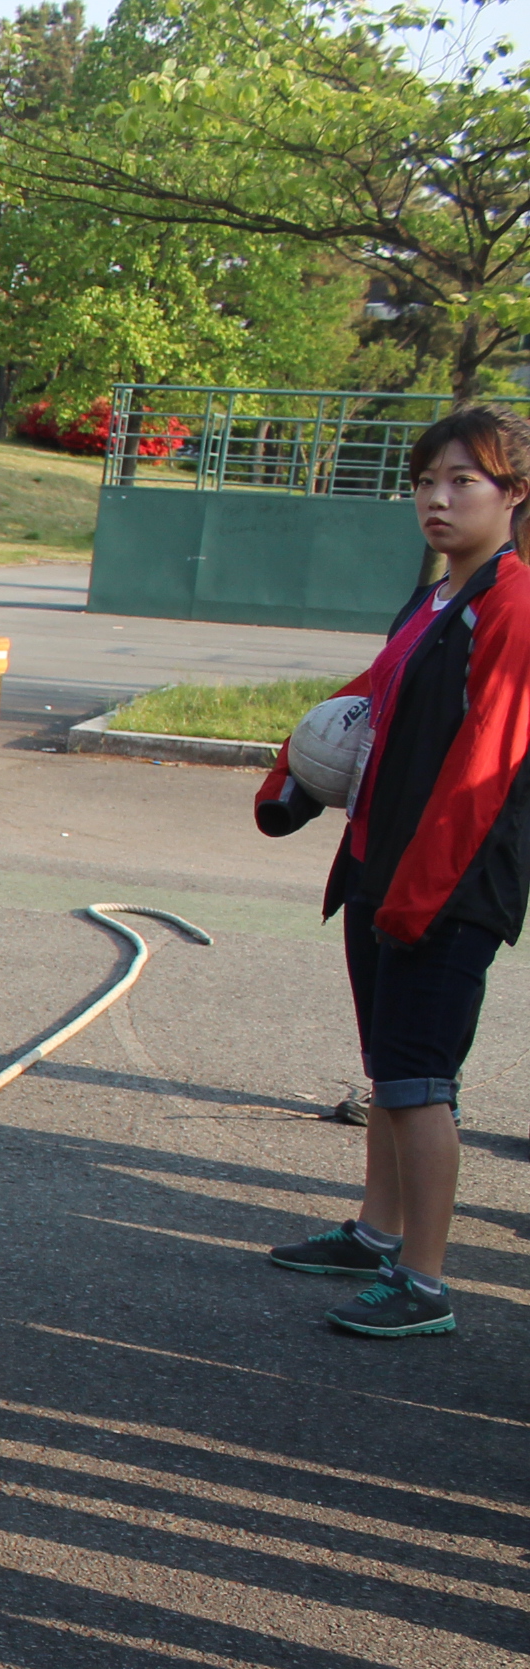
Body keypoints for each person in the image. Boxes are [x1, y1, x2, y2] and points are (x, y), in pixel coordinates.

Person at [257, 403, 530, 1338]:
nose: (437, 499)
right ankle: (378, 1233)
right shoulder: (431, 600)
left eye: (463, 481)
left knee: (420, 1083)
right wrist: (292, 778)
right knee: (387, 1069)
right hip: (382, 870)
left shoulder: (512, 604)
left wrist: (422, 894)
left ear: (514, 494)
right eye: (424, 482)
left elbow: (487, 767)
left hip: (449, 888)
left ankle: (425, 1280)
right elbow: (367, 699)